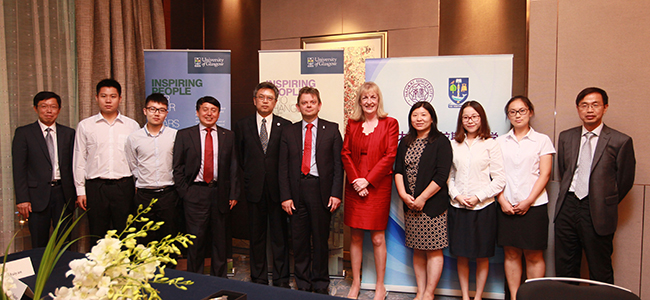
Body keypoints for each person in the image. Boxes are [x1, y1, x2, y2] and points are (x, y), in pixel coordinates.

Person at [555, 87, 635, 284]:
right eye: (584, 105)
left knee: (600, 268)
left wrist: (604, 201)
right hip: (568, 206)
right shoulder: (566, 137)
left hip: (597, 210)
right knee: (565, 266)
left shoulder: (620, 141)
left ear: (605, 108)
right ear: (578, 109)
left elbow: (624, 181)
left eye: (595, 105)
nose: (589, 109)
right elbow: (564, 171)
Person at [278, 87, 343, 294]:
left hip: (321, 191)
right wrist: (286, 196)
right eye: (304, 102)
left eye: (312, 102)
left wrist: (336, 193)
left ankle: (321, 283)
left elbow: (338, 165)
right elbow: (283, 166)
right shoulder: (288, 131)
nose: (308, 105)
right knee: (299, 240)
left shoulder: (332, 129)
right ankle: (303, 284)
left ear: (319, 105)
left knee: (320, 239)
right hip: (296, 191)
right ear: (298, 107)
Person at [341, 82, 398, 300]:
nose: (369, 102)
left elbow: (390, 155)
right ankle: (356, 282)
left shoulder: (390, 124)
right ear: (359, 101)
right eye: (365, 98)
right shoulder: (353, 124)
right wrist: (356, 180)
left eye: (373, 97)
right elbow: (345, 153)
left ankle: (380, 286)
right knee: (355, 237)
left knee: (377, 239)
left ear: (378, 100)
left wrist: (368, 181)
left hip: (377, 187)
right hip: (354, 187)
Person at [172, 96, 239, 277]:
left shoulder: (228, 135)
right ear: (197, 112)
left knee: (220, 242)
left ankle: (220, 281)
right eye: (205, 109)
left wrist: (233, 193)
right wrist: (185, 193)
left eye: (214, 110)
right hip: (195, 193)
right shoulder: (184, 135)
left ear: (218, 113)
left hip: (220, 194)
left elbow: (234, 166)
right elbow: (177, 167)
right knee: (196, 241)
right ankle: (196, 280)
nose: (209, 113)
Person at [496, 96, 555, 300]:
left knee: (534, 255)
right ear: (508, 116)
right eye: (512, 112)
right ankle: (514, 297)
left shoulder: (542, 140)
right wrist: (501, 200)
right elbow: (495, 174)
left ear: (530, 112)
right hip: (506, 205)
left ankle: (532, 297)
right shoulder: (500, 142)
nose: (517, 115)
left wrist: (529, 200)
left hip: (535, 205)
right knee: (511, 254)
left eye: (522, 110)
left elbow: (545, 174)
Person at [233, 82, 291, 287]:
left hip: (279, 192)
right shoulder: (242, 125)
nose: (265, 101)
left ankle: (281, 279)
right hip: (254, 190)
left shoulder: (286, 125)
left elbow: (288, 160)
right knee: (256, 238)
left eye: (269, 98)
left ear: (275, 101)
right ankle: (257, 278)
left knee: (280, 238)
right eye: (261, 97)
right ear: (254, 100)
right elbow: (238, 158)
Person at [394, 101, 452, 300]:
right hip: (410, 206)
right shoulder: (406, 141)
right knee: (417, 249)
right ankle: (420, 291)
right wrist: (403, 195)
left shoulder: (441, 141)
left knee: (434, 250)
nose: (419, 119)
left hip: (433, 206)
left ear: (432, 118)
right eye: (415, 115)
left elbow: (442, 175)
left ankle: (429, 293)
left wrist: (422, 198)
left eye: (423, 115)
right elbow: (398, 170)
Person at [448, 100, 505, 300]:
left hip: (484, 208)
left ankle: (478, 296)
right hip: (458, 206)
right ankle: (465, 295)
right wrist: (457, 195)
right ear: (461, 120)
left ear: (481, 119)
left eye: (474, 116)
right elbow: (449, 177)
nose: (470, 121)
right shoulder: (453, 144)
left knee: (482, 255)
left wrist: (478, 197)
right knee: (461, 254)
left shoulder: (491, 144)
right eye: (466, 117)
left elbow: (499, 179)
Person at [73, 79, 140, 245]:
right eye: (104, 96)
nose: (108, 100)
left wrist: (139, 185)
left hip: (124, 187)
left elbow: (137, 159)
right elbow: (79, 158)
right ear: (96, 98)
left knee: (125, 234)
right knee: (97, 235)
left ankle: (124, 270)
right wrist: (80, 190)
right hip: (96, 187)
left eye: (113, 96)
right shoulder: (86, 126)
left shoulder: (132, 126)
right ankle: (98, 271)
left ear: (120, 98)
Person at [12, 91, 76, 248]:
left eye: (53, 107)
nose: (49, 111)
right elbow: (19, 168)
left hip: (63, 194)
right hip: (36, 196)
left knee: (64, 241)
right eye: (44, 106)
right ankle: (41, 272)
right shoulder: (24, 133)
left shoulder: (69, 133)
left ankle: (62, 271)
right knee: (39, 242)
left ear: (59, 110)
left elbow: (75, 166)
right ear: (35, 108)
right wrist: (22, 198)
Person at [125, 93, 179, 245]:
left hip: (168, 194)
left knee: (168, 239)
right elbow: (132, 164)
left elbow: (178, 164)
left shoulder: (175, 136)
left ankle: (168, 269)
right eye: (153, 109)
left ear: (166, 113)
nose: (156, 113)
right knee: (144, 239)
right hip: (144, 195)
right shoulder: (134, 138)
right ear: (145, 111)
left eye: (161, 110)